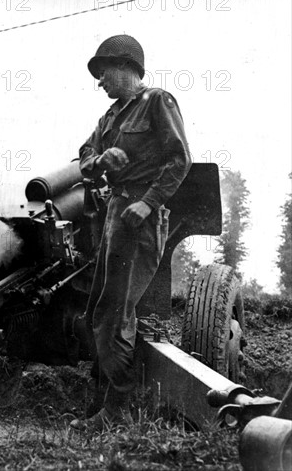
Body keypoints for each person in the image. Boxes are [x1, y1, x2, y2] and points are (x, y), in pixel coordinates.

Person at [72, 35, 192, 432]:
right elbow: (84, 157)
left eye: (102, 73)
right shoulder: (109, 118)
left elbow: (180, 158)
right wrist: (99, 160)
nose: (100, 82)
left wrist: (150, 201)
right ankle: (102, 404)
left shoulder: (159, 102)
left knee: (115, 312)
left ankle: (117, 411)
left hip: (140, 217)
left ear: (124, 67)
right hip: (114, 216)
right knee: (97, 312)